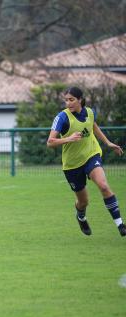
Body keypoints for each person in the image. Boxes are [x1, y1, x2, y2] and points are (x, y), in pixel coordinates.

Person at [46, 86, 125, 237]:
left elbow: (93, 126)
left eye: (71, 99)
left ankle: (120, 224)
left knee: (103, 185)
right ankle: (81, 216)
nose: (68, 103)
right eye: (66, 100)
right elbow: (50, 142)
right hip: (72, 165)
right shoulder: (62, 117)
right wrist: (68, 138)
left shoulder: (90, 112)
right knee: (83, 202)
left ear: (80, 100)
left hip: (91, 155)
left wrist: (107, 143)